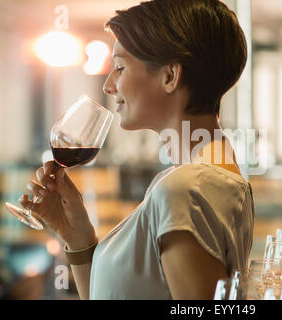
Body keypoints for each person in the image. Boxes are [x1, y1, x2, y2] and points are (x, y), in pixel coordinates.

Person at [20, 0, 254, 299]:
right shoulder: (199, 175)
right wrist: (76, 234)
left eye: (120, 66)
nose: (108, 85)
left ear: (169, 76)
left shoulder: (186, 188)